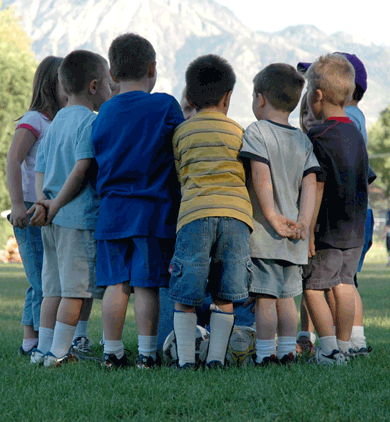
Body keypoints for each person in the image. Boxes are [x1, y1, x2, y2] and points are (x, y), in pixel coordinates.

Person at [91, 33, 184, 369]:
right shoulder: (165, 106)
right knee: (146, 285)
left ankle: (112, 352)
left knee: (117, 283)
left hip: (112, 212)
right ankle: (147, 353)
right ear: (153, 68)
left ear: (112, 75)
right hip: (152, 211)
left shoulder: (103, 113)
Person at [169, 54, 253, 370]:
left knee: (185, 295)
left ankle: (187, 361)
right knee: (225, 294)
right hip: (236, 217)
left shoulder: (181, 133)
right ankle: (216, 359)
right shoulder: (240, 133)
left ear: (189, 97)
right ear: (228, 97)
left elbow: (180, 176)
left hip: (194, 215)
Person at [28, 50, 111, 367]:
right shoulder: (89, 123)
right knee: (75, 291)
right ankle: (60, 353)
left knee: (52, 290)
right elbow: (81, 170)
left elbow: (39, 169)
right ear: (93, 86)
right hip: (75, 219)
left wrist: (43, 204)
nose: (109, 89)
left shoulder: (56, 122)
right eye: (106, 83)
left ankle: (42, 350)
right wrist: (58, 204)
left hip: (50, 221)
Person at [239, 63, 319, 366]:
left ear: (260, 99)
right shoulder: (302, 139)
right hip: (295, 237)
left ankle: (265, 355)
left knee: (265, 298)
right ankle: (287, 352)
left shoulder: (257, 132)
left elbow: (260, 174)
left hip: (266, 235)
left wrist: (271, 216)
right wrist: (303, 224)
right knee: (287, 297)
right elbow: (310, 184)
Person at [298, 53, 374, 358]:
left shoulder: (318, 136)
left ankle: (328, 349)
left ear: (317, 97)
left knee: (313, 286)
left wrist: (309, 232)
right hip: (355, 229)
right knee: (344, 284)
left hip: (327, 228)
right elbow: (365, 179)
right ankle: (345, 347)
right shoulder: (356, 132)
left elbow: (317, 184)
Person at [6, 56, 66, 356]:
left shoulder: (58, 122)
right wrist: (17, 203)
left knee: (44, 276)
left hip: (49, 208)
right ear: (51, 84)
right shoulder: (33, 121)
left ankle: (31, 340)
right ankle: (36, 340)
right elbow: (14, 160)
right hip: (29, 209)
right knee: (40, 276)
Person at [382, 201, 390, 266]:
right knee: (388, 248)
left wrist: (384, 233)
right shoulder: (388, 213)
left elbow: (387, 224)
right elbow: (387, 224)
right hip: (389, 233)